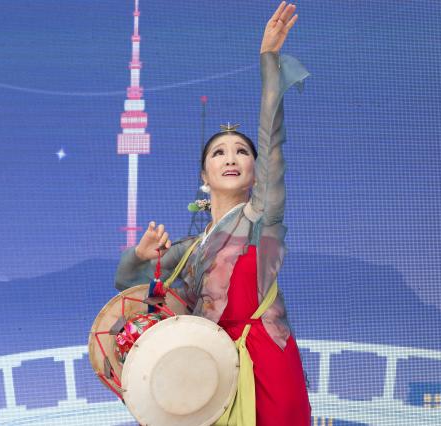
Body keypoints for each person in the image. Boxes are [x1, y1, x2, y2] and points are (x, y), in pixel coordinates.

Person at [115, 2, 311, 425]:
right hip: (209, 374)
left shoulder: (263, 220)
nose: (231, 158)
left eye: (243, 152)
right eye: (219, 153)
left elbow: (271, 140)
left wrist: (269, 63)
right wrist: (141, 256)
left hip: (266, 366)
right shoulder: (188, 250)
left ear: (258, 172)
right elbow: (129, 289)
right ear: (204, 175)